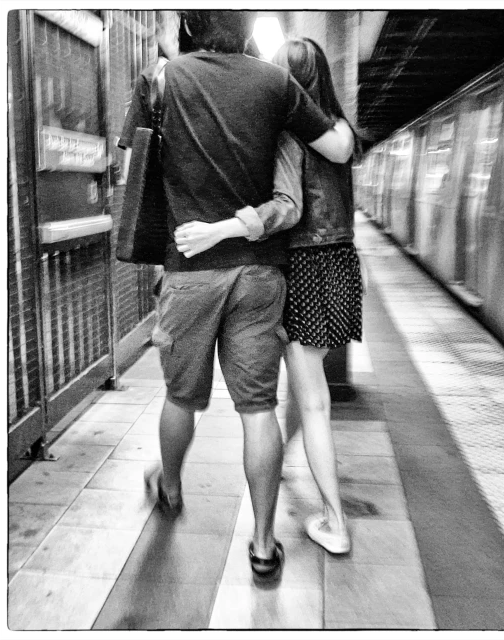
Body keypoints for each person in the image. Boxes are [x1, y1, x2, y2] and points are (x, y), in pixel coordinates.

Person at [118, 11, 354, 583]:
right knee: (258, 410)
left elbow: (134, 165)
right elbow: (337, 146)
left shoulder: (161, 78)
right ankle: (265, 542)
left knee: (180, 396)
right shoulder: (275, 82)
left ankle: (170, 484)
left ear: (191, 27)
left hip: (189, 268)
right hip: (260, 273)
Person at [175, 38, 363, 555]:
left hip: (302, 267)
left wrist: (220, 229)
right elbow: (342, 157)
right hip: (342, 267)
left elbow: (290, 208)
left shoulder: (286, 135)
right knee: (310, 395)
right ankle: (278, 465)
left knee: (312, 403)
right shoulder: (342, 131)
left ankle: (334, 521)